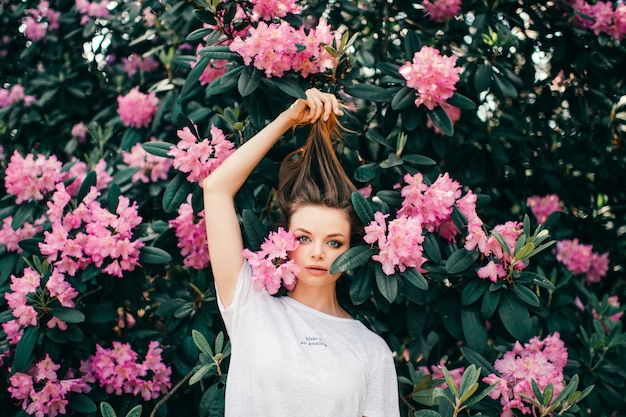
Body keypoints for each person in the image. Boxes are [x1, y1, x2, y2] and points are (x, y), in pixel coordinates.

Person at [202, 88, 400, 417]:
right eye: (304, 238)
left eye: (334, 242)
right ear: (285, 240)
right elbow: (216, 188)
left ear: (352, 249)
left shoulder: (370, 350)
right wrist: (287, 119)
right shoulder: (250, 305)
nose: (318, 253)